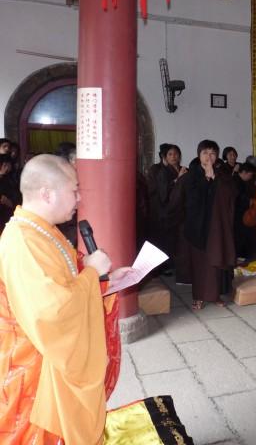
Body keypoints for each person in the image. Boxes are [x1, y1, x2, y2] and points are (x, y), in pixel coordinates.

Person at [0, 154, 130, 444]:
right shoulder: (23, 241)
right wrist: (92, 272)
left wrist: (105, 280)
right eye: (74, 190)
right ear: (47, 193)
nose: (79, 198)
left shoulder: (42, 231)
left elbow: (66, 281)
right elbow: (52, 313)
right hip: (36, 368)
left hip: (50, 355)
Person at [184, 140, 236, 309]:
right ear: (199, 155)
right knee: (200, 263)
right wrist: (206, 179)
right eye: (205, 153)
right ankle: (198, 296)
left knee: (216, 260)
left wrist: (214, 178)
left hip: (217, 225)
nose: (209, 156)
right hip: (198, 226)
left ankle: (215, 295)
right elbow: (189, 199)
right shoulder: (192, 175)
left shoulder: (222, 174)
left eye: (212, 153)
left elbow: (231, 194)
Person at [146, 144, 184, 264]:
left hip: (180, 211)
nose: (173, 157)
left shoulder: (183, 169)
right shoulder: (162, 171)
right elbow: (163, 193)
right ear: (165, 157)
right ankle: (165, 266)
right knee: (165, 242)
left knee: (177, 242)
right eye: (170, 154)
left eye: (176, 154)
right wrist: (177, 179)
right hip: (165, 212)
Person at [233, 162, 256, 262]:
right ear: (244, 172)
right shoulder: (235, 181)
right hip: (238, 217)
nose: (250, 177)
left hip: (243, 216)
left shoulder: (243, 181)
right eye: (250, 175)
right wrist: (250, 201)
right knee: (240, 239)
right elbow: (237, 198)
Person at [0, 154, 20, 233]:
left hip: (8, 213)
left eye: (8, 165)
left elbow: (16, 197)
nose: (6, 168)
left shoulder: (11, 180)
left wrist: (10, 202)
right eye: (4, 165)